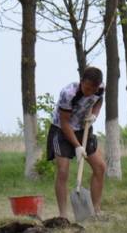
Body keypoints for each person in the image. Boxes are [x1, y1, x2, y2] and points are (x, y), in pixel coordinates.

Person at [46, 66, 107, 220]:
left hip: (83, 128)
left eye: (92, 90)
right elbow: (65, 123)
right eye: (86, 88)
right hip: (61, 130)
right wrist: (78, 146)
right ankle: (63, 216)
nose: (89, 92)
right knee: (63, 171)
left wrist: (94, 115)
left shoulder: (99, 89)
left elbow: (99, 101)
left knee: (100, 167)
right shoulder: (68, 94)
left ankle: (96, 211)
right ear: (81, 82)